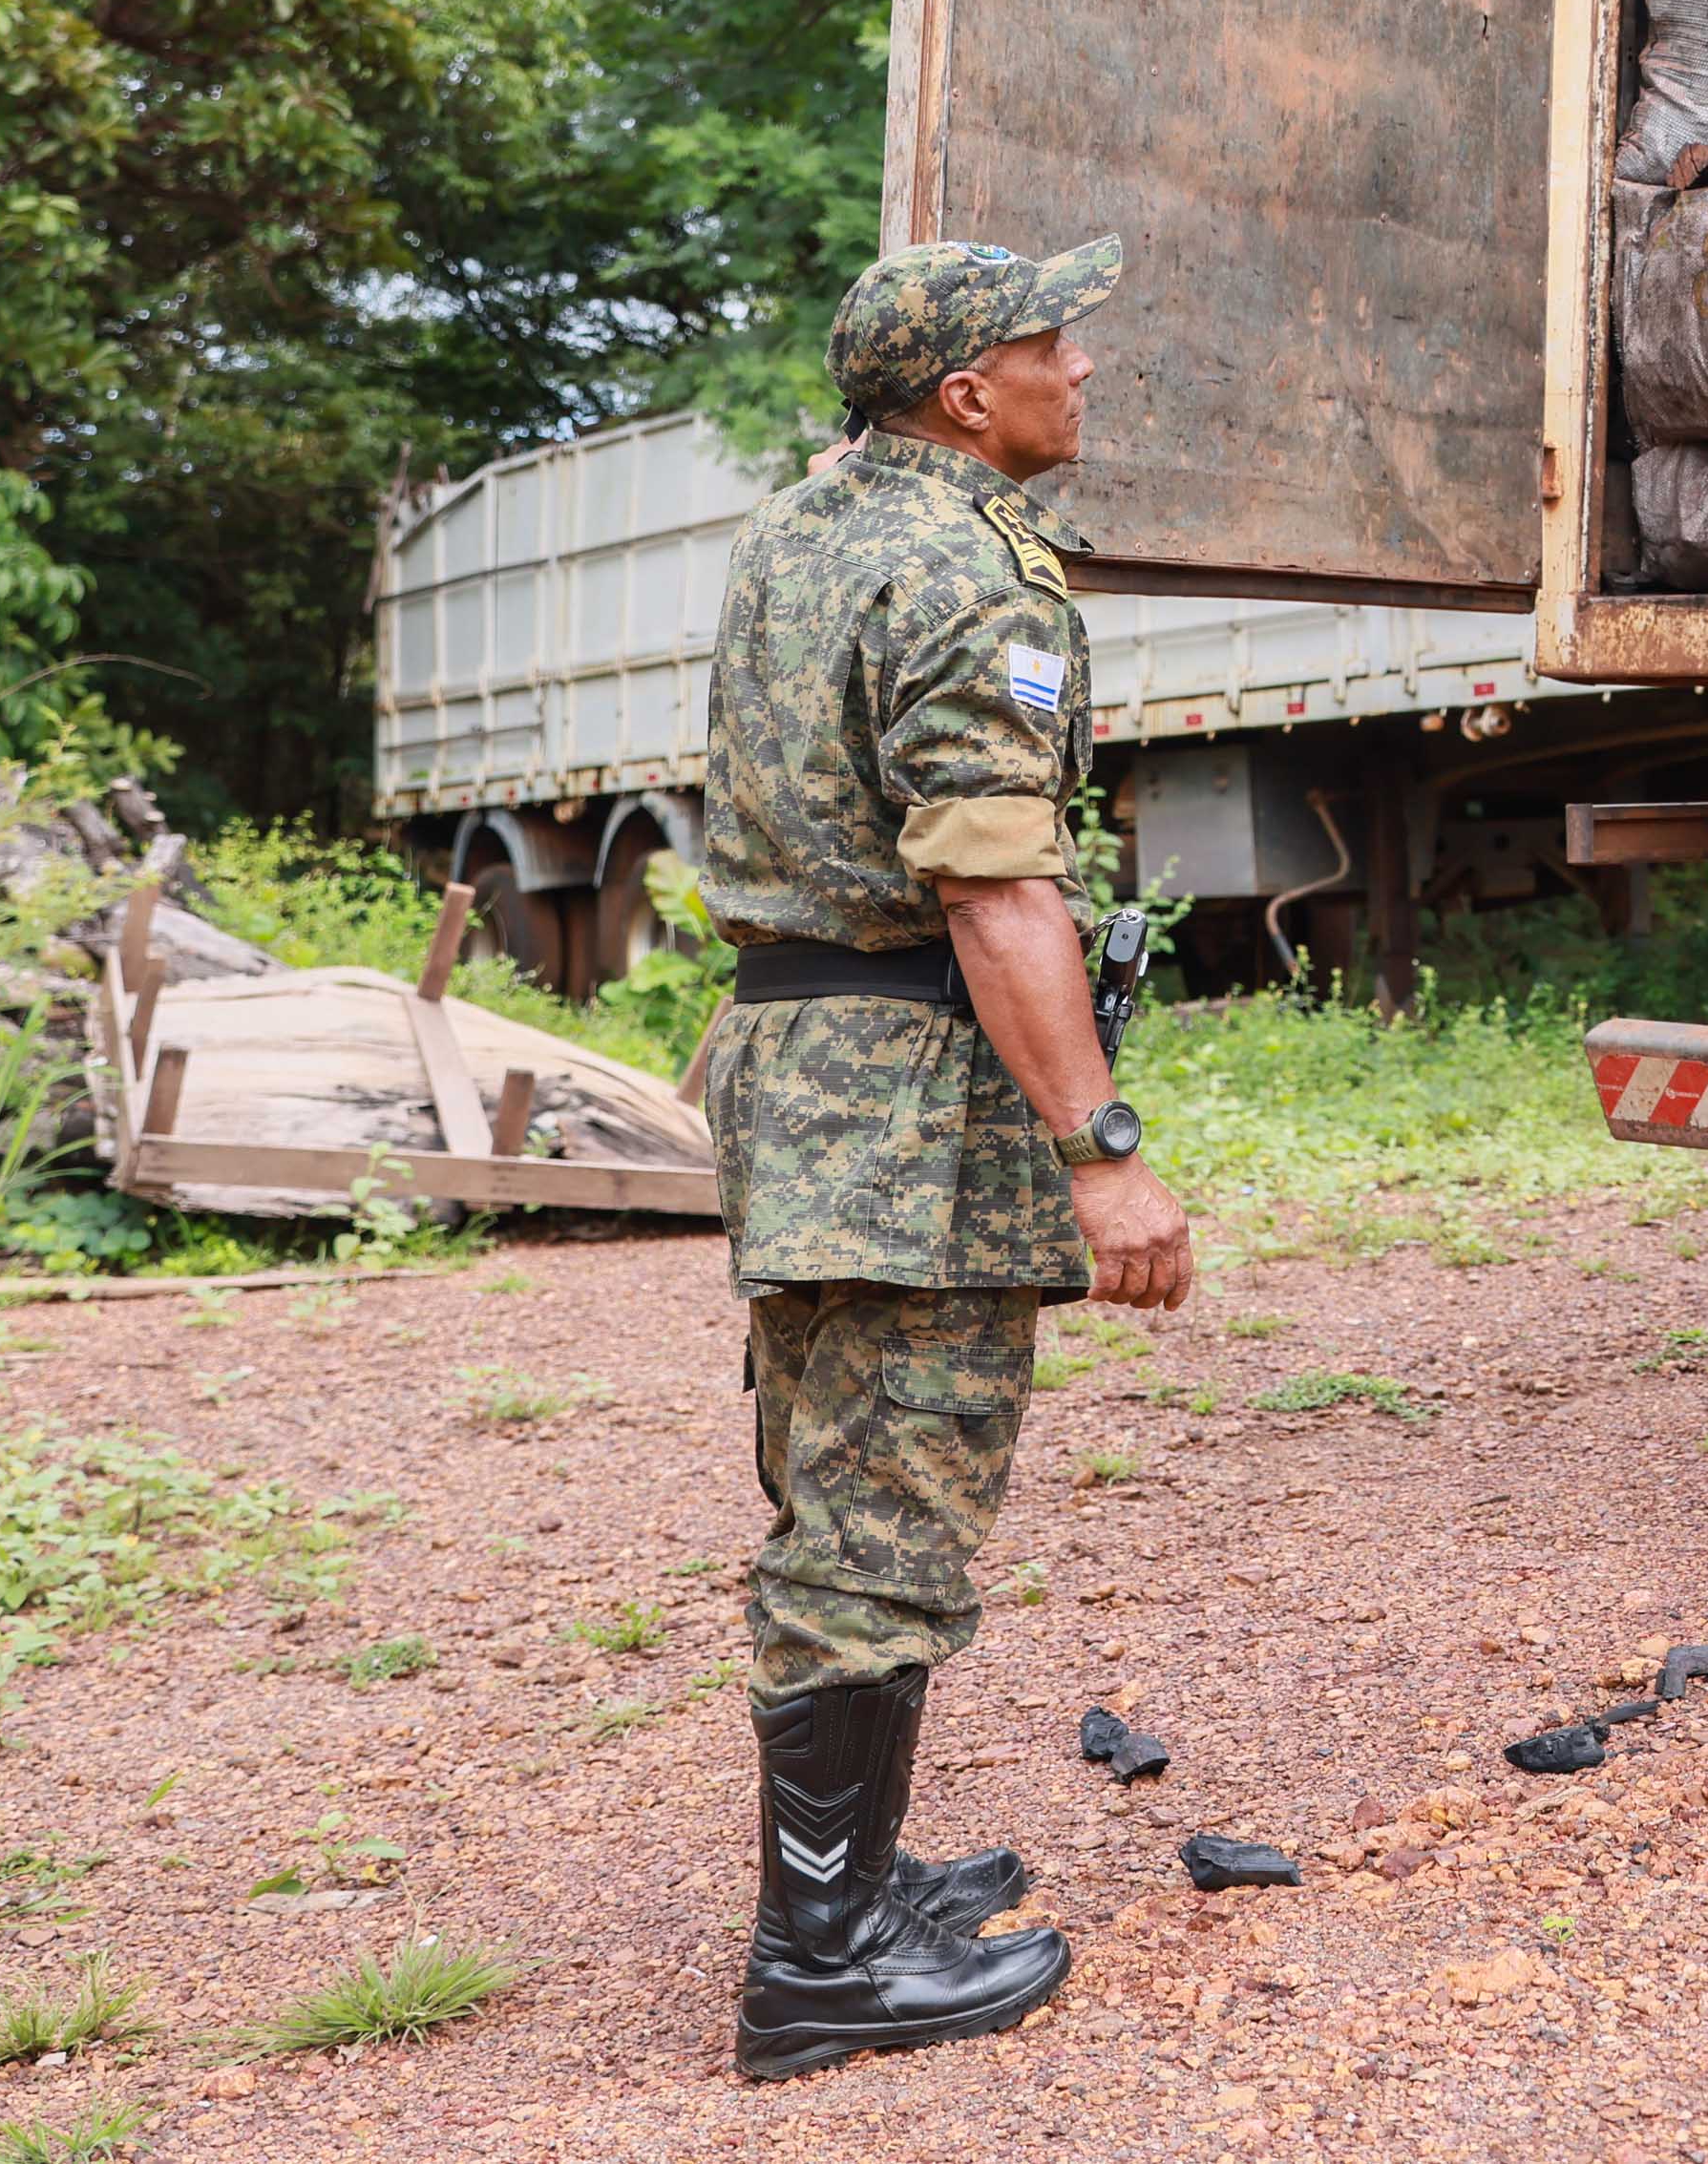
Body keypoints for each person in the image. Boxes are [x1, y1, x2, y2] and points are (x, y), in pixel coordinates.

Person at [689, 234, 1196, 2083]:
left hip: (800, 1063)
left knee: (838, 1481)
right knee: (886, 1512)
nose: (1086, 369)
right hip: (904, 1101)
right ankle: (816, 1960)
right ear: (970, 392)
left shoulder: (801, 533)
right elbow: (991, 876)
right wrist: (1102, 1146)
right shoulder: (963, 569)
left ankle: (857, 1877)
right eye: (1057, 343)